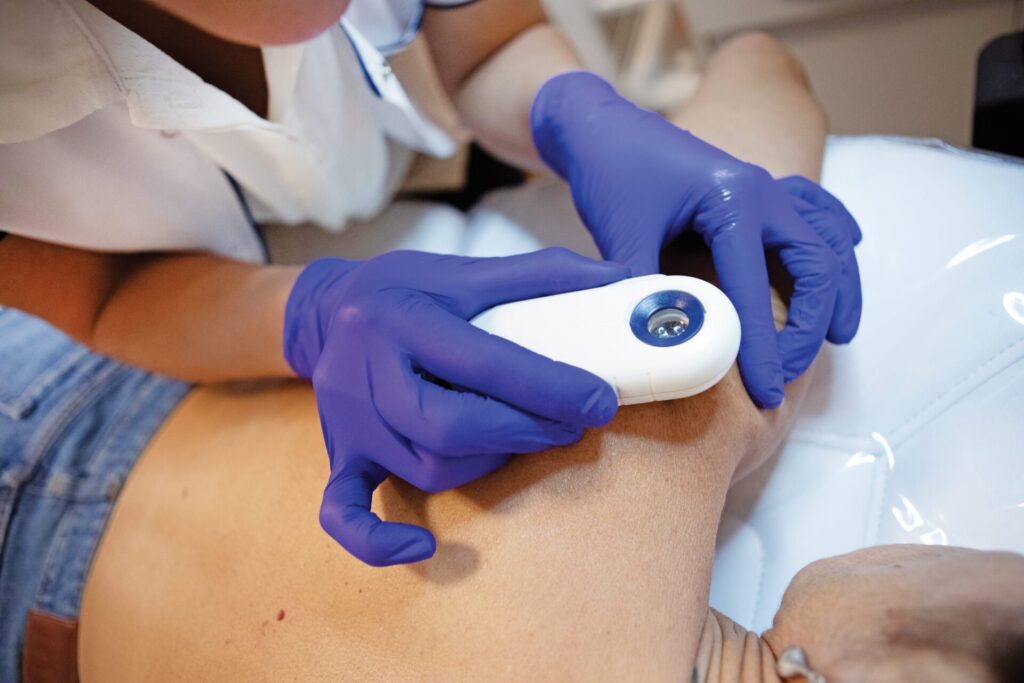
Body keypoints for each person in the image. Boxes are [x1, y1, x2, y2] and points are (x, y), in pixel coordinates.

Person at [3, 30, 1018, 683]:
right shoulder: (699, 409)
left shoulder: (680, 433)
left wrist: (581, 116)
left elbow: (757, 68)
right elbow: (757, 60)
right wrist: (578, 111)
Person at [0, 0, 862, 566]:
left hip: (432, 164)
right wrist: (307, 316)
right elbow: (104, 289)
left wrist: (568, 109)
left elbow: (489, 41)